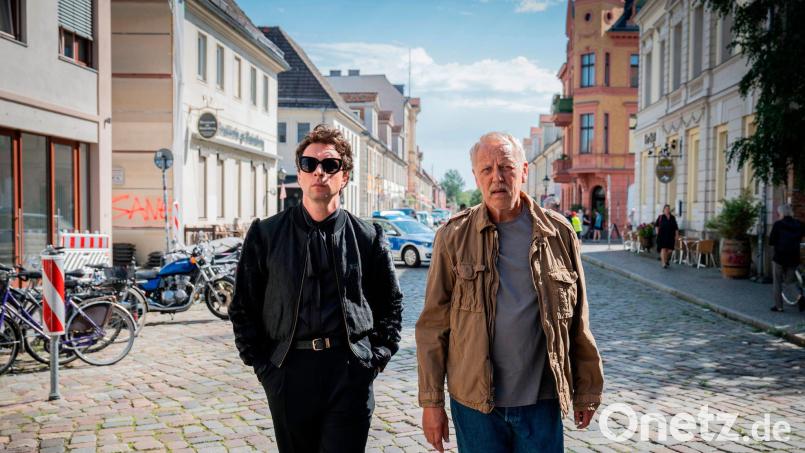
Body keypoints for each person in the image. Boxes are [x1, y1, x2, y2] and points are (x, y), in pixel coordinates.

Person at [416, 132, 604, 453]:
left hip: (541, 401)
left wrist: (587, 389)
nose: (497, 178)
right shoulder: (453, 237)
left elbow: (577, 321)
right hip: (475, 405)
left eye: (506, 167)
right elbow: (433, 326)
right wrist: (432, 403)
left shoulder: (558, 234)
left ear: (524, 171)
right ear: (476, 177)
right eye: (486, 170)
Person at [229, 124, 403, 453]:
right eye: (309, 164)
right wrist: (264, 368)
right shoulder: (266, 234)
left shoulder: (368, 236)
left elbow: (390, 304)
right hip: (289, 372)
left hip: (349, 371)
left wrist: (376, 358)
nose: (318, 172)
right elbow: (243, 306)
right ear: (300, 173)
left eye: (330, 165)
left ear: (345, 175)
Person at [769, 203, 804, 312]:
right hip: (793, 257)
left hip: (779, 257)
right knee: (790, 281)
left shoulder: (778, 224)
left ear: (781, 213)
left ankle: (779, 306)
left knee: (777, 282)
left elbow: (771, 241)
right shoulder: (799, 224)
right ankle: (800, 297)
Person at [654, 204, 679, 269]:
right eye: (666, 209)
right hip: (662, 235)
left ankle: (665, 259)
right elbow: (656, 225)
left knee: (670, 250)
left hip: (671, 236)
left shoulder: (672, 217)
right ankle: (663, 263)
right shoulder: (661, 217)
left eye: (668, 209)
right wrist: (657, 233)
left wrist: (676, 235)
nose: (667, 210)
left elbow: (676, 227)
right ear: (664, 210)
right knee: (663, 248)